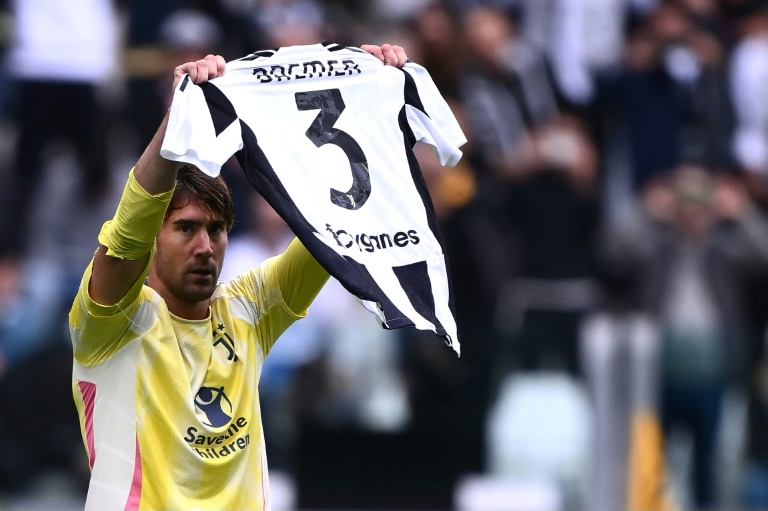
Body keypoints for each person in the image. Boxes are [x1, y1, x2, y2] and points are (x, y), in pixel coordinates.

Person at [68, 44, 407, 510]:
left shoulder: (246, 309)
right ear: (154, 236)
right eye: (185, 228)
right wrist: (180, 117)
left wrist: (362, 95)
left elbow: (338, 225)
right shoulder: (110, 322)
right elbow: (128, 232)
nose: (205, 246)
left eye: (216, 230)